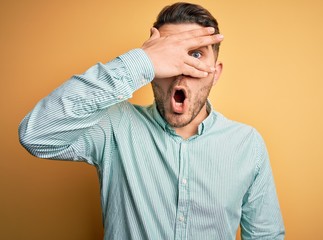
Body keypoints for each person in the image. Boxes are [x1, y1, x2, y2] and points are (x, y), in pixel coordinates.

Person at [19, 2, 285, 239]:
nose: (181, 69)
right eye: (170, 54)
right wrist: (140, 62)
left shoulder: (247, 144)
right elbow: (36, 135)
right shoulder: (115, 125)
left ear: (215, 74)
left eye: (195, 55)